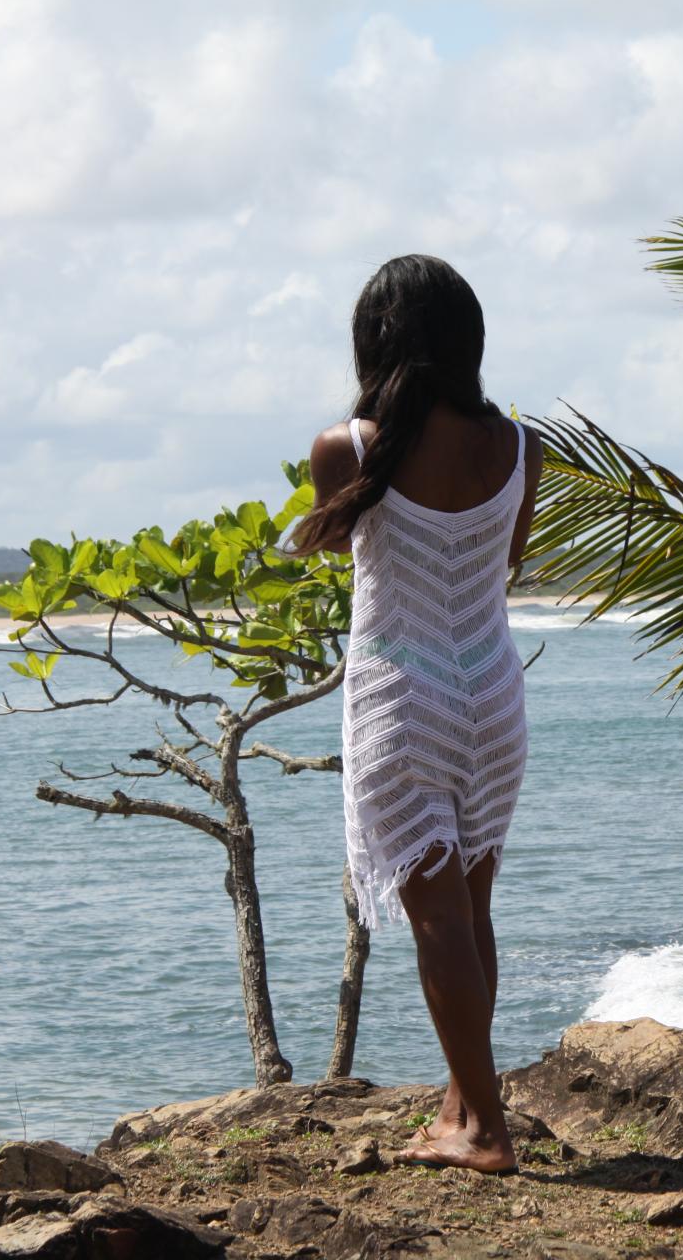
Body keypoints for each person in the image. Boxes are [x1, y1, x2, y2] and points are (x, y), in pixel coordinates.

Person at [291, 254, 539, 1174]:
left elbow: (347, 546)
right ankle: (460, 1105)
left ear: (374, 340)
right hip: (493, 694)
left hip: (403, 698)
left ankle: (485, 1130)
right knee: (471, 911)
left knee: (439, 922)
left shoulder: (344, 450)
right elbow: (503, 559)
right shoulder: (521, 445)